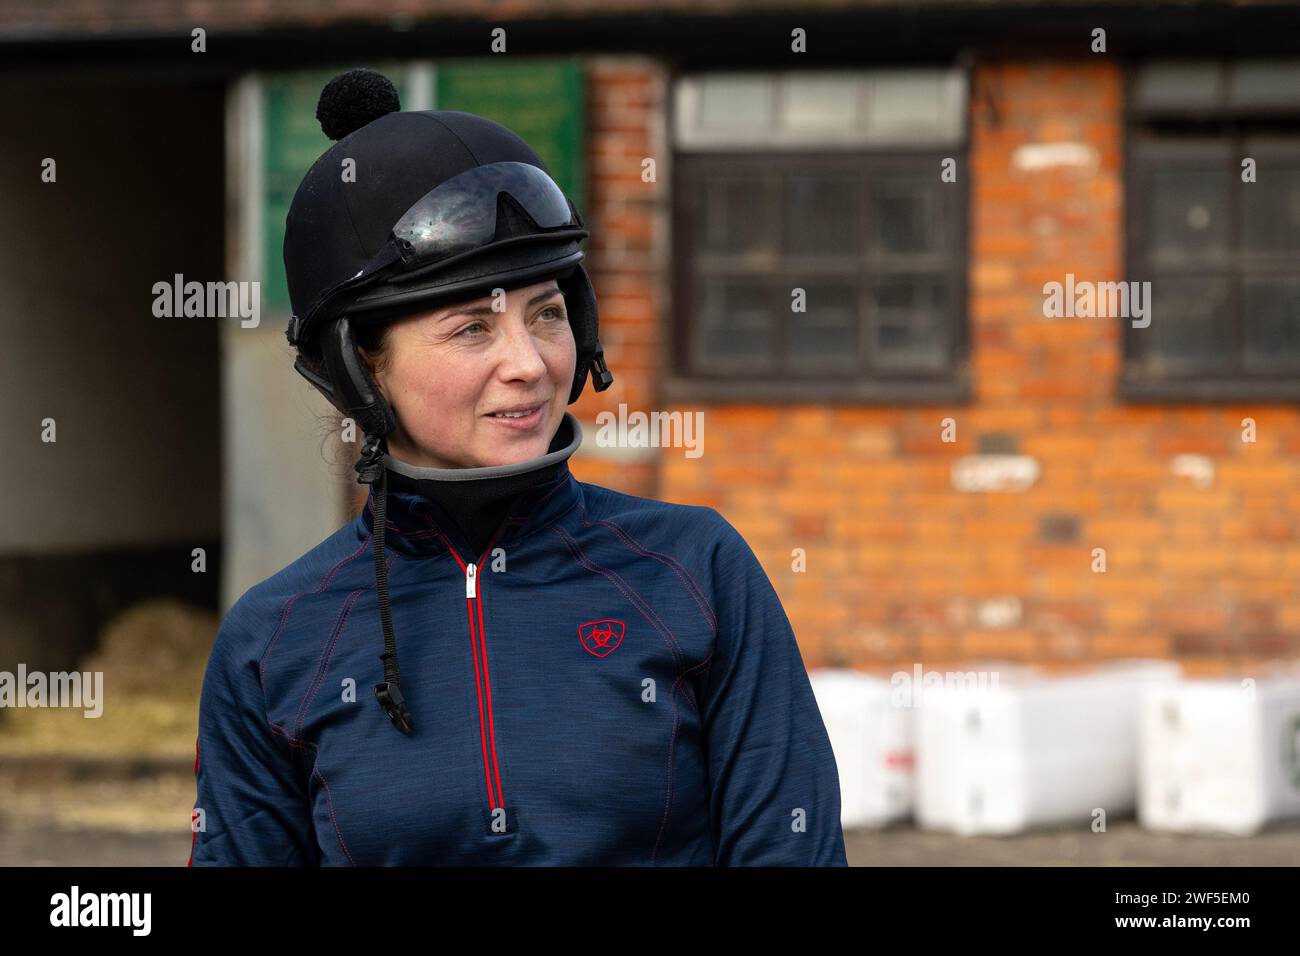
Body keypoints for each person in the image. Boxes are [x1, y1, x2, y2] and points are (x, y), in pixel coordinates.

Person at [188, 68, 847, 866]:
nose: (530, 365)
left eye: (546, 314)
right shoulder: (273, 640)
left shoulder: (697, 570)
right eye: (472, 329)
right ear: (362, 367)